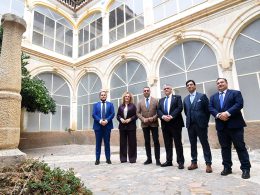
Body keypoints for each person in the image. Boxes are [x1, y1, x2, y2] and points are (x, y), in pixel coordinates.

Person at [209, 78, 251, 179]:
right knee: (225, 148)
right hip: (221, 126)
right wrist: (219, 115)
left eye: (222, 82)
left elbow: (239, 104)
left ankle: (245, 169)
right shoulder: (213, 97)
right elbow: (210, 108)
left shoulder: (235, 93)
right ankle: (227, 167)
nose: (220, 84)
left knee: (240, 147)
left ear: (226, 83)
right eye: (218, 83)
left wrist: (227, 113)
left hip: (235, 125)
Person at [183, 80, 212, 173]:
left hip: (201, 124)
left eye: (191, 84)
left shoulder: (202, 96)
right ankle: (194, 162)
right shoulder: (186, 99)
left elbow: (207, 111)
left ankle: (208, 163)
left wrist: (204, 121)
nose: (189, 86)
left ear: (195, 86)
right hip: (190, 125)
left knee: (204, 143)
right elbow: (186, 112)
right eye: (188, 85)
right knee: (193, 144)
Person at [157, 84, 185, 169]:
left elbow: (179, 108)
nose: (166, 89)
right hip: (165, 124)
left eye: (167, 88)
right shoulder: (161, 100)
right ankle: (169, 161)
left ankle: (180, 162)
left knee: (178, 143)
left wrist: (171, 116)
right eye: (164, 89)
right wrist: (163, 116)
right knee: (167, 143)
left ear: (171, 89)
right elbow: (158, 110)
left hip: (175, 124)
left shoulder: (177, 97)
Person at [137, 86, 161, 166]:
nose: (146, 92)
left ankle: (157, 159)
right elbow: (138, 113)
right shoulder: (140, 102)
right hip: (145, 124)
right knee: (147, 142)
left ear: (150, 91)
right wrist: (143, 119)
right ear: (143, 92)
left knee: (156, 141)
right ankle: (149, 159)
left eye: (147, 90)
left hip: (154, 124)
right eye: (145, 91)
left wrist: (154, 118)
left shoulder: (155, 100)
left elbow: (159, 111)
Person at [92, 91, 115, 165]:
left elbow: (112, 114)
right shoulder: (95, 105)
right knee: (98, 143)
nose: (103, 96)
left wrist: (107, 120)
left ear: (106, 96)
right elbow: (94, 114)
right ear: (99, 96)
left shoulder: (110, 104)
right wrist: (100, 121)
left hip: (107, 126)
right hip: (98, 127)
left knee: (107, 143)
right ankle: (97, 159)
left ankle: (108, 159)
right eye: (102, 95)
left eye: (104, 95)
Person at [117, 92, 138, 163]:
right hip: (122, 127)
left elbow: (136, 115)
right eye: (125, 96)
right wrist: (121, 119)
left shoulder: (133, 106)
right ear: (124, 97)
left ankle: (132, 159)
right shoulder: (121, 106)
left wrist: (130, 119)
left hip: (131, 126)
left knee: (132, 143)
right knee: (123, 143)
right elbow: (118, 115)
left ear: (130, 98)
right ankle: (123, 158)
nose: (127, 97)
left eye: (128, 96)